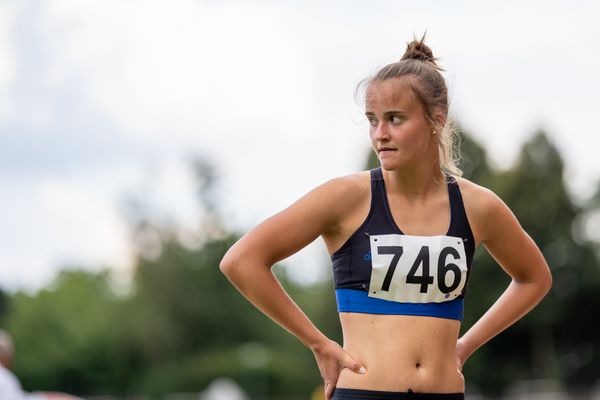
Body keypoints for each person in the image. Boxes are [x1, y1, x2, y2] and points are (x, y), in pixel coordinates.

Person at [220, 35, 552, 400]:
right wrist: (318, 344)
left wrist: (465, 345)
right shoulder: (346, 197)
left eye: (395, 119)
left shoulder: (478, 206)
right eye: (372, 120)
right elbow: (242, 261)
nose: (380, 134)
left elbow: (534, 278)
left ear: (435, 121)